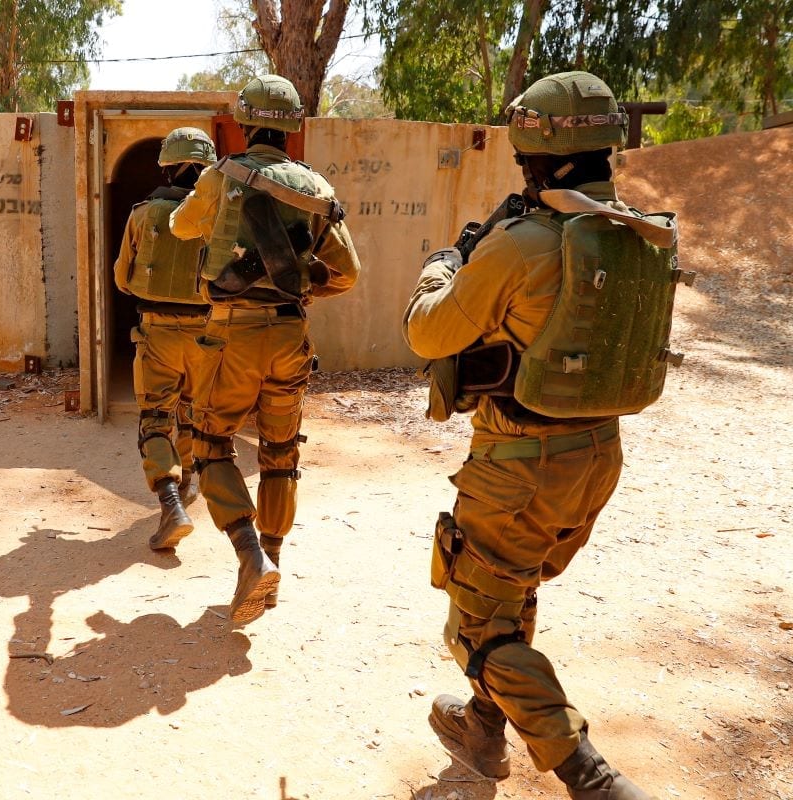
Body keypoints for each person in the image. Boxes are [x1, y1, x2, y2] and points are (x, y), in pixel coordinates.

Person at [403, 71, 684, 799]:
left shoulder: (524, 243)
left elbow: (427, 331)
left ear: (532, 151)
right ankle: (481, 727)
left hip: (518, 465)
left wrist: (442, 267)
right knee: (512, 586)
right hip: (596, 458)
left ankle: (590, 777)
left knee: (478, 628)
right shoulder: (638, 235)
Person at [170, 75, 361, 625]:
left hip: (231, 334)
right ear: (293, 128)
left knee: (211, 446)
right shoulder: (318, 191)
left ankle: (250, 555)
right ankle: (271, 560)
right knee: (281, 452)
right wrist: (299, 280)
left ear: (245, 123)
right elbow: (347, 274)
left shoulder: (222, 176)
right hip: (289, 335)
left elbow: (183, 227)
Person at [113, 127, 218, 550]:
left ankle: (171, 501)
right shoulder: (219, 218)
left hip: (157, 332)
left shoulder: (142, 214)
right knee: (193, 412)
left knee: (156, 419)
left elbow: (123, 278)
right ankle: (188, 483)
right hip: (208, 336)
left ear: (169, 169)